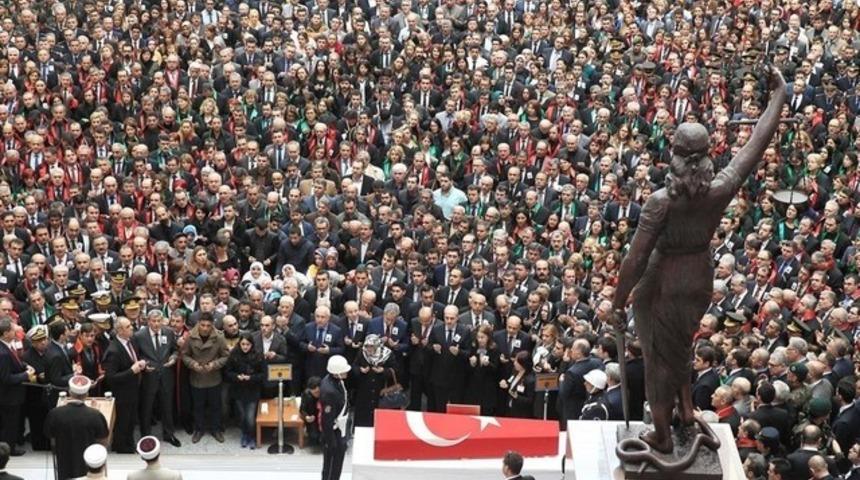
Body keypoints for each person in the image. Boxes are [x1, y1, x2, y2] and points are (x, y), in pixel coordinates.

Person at [611, 66, 787, 453]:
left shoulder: (660, 202)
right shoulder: (720, 187)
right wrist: (779, 96)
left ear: (673, 154)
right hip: (699, 275)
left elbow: (636, 257)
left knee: (659, 355)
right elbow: (755, 144)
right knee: (680, 348)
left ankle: (660, 432)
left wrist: (617, 300)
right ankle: (687, 412)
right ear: (707, 156)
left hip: (662, 278)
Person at [44, 376, 109, 480]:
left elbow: (49, 434)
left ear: (70, 392)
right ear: (87, 394)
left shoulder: (55, 413)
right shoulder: (95, 415)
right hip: (88, 464)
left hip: (63, 461)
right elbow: (103, 439)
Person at [134, 310, 181, 447]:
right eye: (153, 321)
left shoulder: (169, 332)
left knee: (167, 407)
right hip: (149, 377)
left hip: (166, 376)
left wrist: (173, 358)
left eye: (158, 321)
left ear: (162, 321)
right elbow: (136, 355)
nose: (156, 324)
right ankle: (146, 436)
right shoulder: (139, 336)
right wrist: (143, 365)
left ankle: (169, 434)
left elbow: (175, 350)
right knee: (147, 408)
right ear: (148, 321)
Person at [182, 313, 229, 443]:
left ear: (212, 325)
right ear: (198, 324)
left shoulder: (219, 337)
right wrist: (193, 364)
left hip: (213, 377)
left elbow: (225, 356)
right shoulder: (190, 337)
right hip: (197, 378)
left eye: (208, 325)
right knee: (198, 406)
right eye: (202, 325)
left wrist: (214, 364)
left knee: (216, 406)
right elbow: (184, 355)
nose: (205, 328)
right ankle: (199, 429)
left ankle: (216, 429)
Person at [103, 317, 147, 453]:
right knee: (123, 422)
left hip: (133, 391)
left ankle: (129, 444)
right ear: (120, 330)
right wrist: (131, 371)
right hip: (122, 395)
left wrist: (139, 365)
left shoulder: (130, 341)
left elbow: (131, 360)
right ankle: (121, 448)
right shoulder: (113, 351)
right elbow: (111, 378)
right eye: (128, 326)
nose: (132, 327)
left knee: (131, 421)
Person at [223, 332, 265, 449]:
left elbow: (262, 375)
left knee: (250, 418)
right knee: (242, 416)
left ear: (252, 344)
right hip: (238, 390)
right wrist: (237, 377)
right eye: (243, 344)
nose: (245, 347)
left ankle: (251, 436)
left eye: (248, 344)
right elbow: (227, 372)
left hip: (252, 390)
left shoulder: (258, 356)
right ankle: (245, 435)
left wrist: (250, 378)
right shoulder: (234, 355)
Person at [0, 318, 33, 456]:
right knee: (9, 425)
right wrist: (26, 375)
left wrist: (25, 366)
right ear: (6, 333)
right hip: (8, 397)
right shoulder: (2, 353)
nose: (16, 332)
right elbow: (6, 378)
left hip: (11, 396)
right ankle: (9, 450)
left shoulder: (7, 347)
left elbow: (16, 362)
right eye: (13, 330)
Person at [351, 334, 397, 427]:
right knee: (363, 418)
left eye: (371, 346)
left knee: (379, 418)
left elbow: (395, 370)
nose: (369, 349)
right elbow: (354, 366)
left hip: (380, 389)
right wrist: (360, 370)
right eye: (367, 346)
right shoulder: (362, 353)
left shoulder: (387, 354)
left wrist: (383, 371)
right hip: (364, 390)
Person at [320, 355, 350, 480]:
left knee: (337, 465)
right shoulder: (330, 392)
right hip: (333, 433)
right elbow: (327, 420)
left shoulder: (335, 381)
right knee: (332, 465)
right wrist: (331, 442)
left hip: (340, 427)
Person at [501, 351, 536, 418]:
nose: (514, 363)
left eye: (517, 362)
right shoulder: (515, 370)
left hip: (521, 414)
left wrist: (517, 397)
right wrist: (506, 384)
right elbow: (510, 381)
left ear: (523, 364)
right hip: (510, 408)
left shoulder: (530, 380)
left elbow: (530, 400)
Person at [301, 377, 322, 448]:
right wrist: (306, 417)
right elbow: (302, 409)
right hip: (313, 417)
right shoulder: (306, 394)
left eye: (317, 392)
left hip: (323, 417)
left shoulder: (326, 393)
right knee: (314, 439)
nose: (316, 395)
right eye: (314, 393)